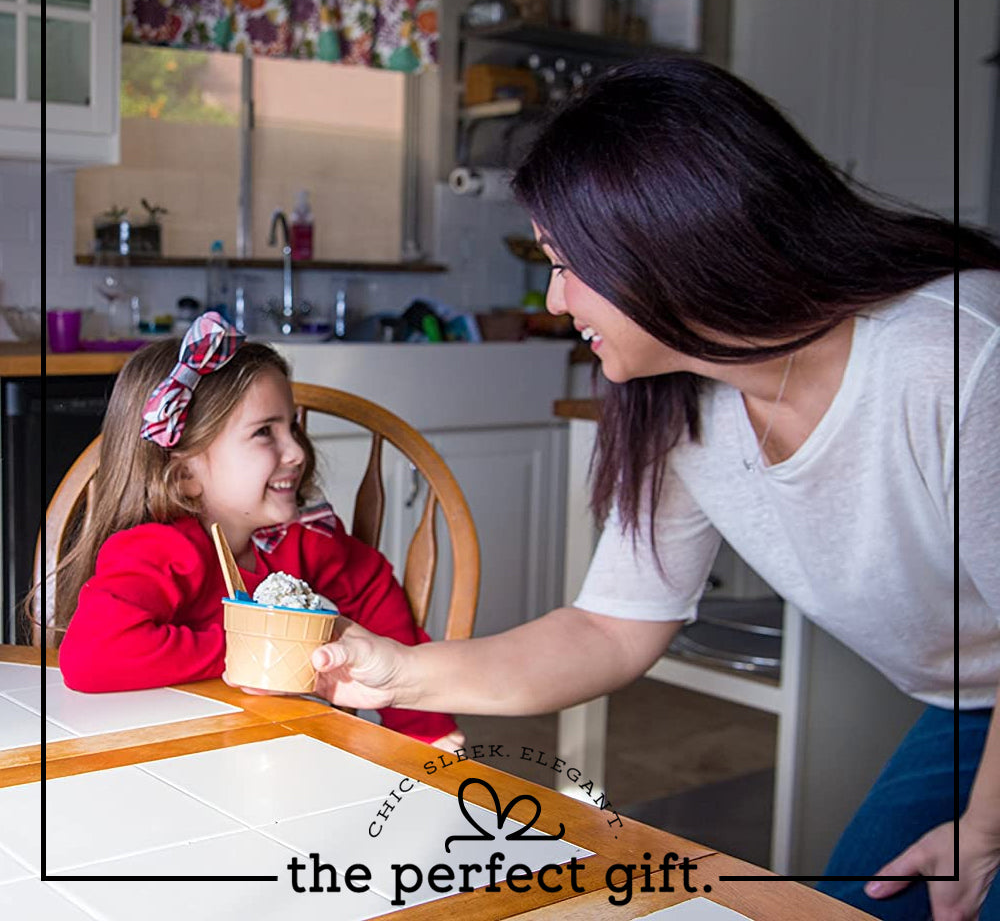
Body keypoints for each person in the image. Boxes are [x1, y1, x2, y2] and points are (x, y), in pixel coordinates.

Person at [299, 57, 1000, 920]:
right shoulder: (685, 408)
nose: (556, 301)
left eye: (567, 264)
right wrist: (400, 673)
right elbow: (609, 630)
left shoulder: (960, 358)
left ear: (667, 240)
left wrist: (984, 832)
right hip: (972, 704)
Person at [48, 312, 462, 750]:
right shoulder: (160, 549)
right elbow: (92, 655)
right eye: (265, 432)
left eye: (293, 427)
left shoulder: (302, 542)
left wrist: (424, 730)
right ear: (185, 473)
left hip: (277, 756)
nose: (297, 452)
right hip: (165, 756)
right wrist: (254, 645)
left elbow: (378, 603)